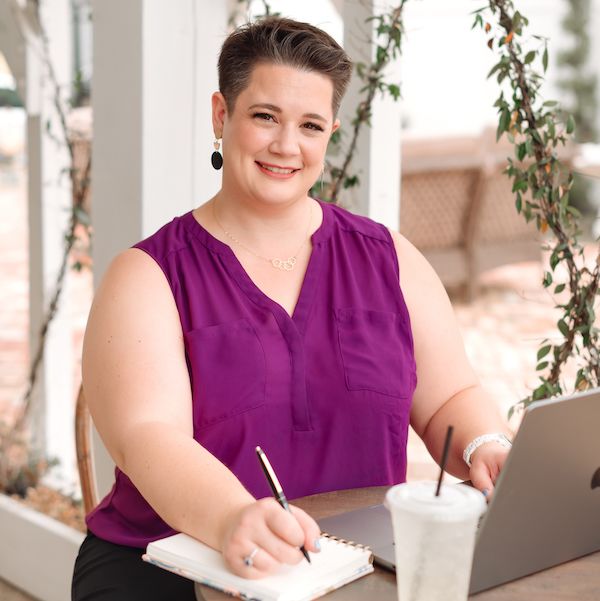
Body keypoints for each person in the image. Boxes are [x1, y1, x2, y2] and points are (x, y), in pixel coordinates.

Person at [72, 16, 512, 601]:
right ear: (221, 117)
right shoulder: (148, 275)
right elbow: (149, 436)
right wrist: (233, 517)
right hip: (169, 571)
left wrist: (488, 448)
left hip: (352, 575)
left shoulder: (389, 259)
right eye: (264, 117)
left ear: (329, 133)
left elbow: (451, 398)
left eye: (309, 125)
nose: (287, 145)